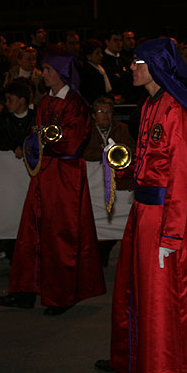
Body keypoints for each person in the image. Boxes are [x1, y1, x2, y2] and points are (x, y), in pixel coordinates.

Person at [95, 38, 187, 373]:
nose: (130, 67)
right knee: (136, 291)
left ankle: (166, 370)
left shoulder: (179, 111)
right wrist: (125, 166)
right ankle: (136, 359)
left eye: (137, 62)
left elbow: (180, 179)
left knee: (163, 298)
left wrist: (172, 234)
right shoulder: (149, 107)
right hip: (142, 214)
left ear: (155, 66)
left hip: (163, 218)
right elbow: (151, 164)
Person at [0, 52, 106, 315]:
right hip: (46, 173)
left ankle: (61, 296)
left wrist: (44, 141)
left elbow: (73, 143)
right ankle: (24, 290)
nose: (43, 73)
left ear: (61, 73)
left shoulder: (75, 103)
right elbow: (39, 134)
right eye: (43, 69)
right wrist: (36, 142)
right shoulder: (46, 102)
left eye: (48, 69)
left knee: (60, 234)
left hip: (65, 176)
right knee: (32, 230)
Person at [83, 96, 136, 266]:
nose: (105, 115)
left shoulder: (122, 128)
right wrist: (104, 154)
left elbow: (131, 150)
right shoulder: (87, 130)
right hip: (94, 187)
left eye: (108, 111)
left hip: (119, 186)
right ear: (93, 115)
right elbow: (83, 151)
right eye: (101, 112)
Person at [0, 78, 36, 159]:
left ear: (22, 100)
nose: (6, 103)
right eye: (6, 99)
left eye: (10, 100)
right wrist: (14, 146)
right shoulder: (3, 117)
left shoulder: (35, 117)